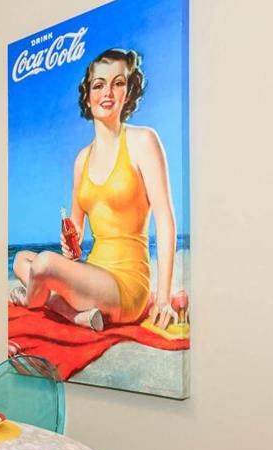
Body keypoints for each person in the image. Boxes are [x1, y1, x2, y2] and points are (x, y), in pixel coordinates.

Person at [11, 48, 178, 331]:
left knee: (41, 266)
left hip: (126, 284)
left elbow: (164, 218)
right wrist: (69, 242)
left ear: (129, 91)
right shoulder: (81, 160)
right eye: (99, 85)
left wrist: (163, 298)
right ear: (88, 96)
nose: (108, 92)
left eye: (118, 82)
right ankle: (73, 313)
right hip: (92, 271)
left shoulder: (143, 141)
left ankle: (37, 301)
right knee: (20, 259)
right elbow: (74, 236)